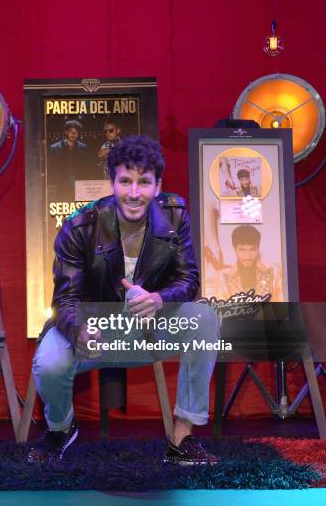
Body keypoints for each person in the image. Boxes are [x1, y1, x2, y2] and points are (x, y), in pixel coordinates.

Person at [29, 135, 219, 466]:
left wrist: (159, 299)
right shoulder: (79, 226)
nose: (134, 193)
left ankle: (182, 438)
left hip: (148, 329)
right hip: (93, 332)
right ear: (112, 182)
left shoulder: (175, 218)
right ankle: (60, 429)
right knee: (49, 363)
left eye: (144, 182)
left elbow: (189, 280)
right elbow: (64, 299)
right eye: (125, 181)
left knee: (205, 318)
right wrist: (79, 330)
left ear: (158, 186)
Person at [215, 225, 283, 301]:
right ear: (235, 249)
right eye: (242, 250)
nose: (248, 256)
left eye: (252, 249)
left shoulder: (273, 271)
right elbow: (220, 307)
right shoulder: (223, 276)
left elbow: (281, 302)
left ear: (258, 248)